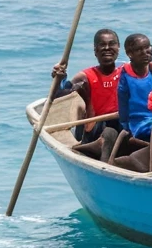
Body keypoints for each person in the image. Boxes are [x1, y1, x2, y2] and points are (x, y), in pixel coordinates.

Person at [52, 28, 123, 160]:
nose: (107, 48)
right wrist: (59, 79)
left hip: (120, 124)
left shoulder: (125, 71)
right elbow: (59, 98)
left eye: (112, 44)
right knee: (109, 132)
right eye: (102, 45)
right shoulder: (86, 76)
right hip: (96, 127)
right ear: (95, 50)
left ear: (118, 47)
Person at [110, 33, 152, 170]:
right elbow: (123, 110)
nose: (146, 52)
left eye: (148, 47)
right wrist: (127, 130)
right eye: (139, 50)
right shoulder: (125, 78)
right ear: (129, 54)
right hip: (139, 125)